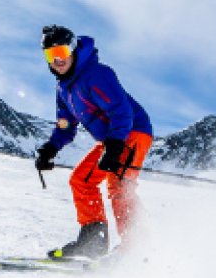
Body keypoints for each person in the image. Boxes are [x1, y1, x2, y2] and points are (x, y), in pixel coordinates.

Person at [34, 25, 153, 259]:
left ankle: (136, 249)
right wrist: (50, 149)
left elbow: (121, 111)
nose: (57, 60)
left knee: (119, 185)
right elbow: (65, 125)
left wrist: (116, 144)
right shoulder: (63, 89)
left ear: (73, 49)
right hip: (112, 139)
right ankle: (94, 242)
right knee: (82, 180)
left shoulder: (96, 74)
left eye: (61, 52)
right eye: (50, 55)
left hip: (132, 132)